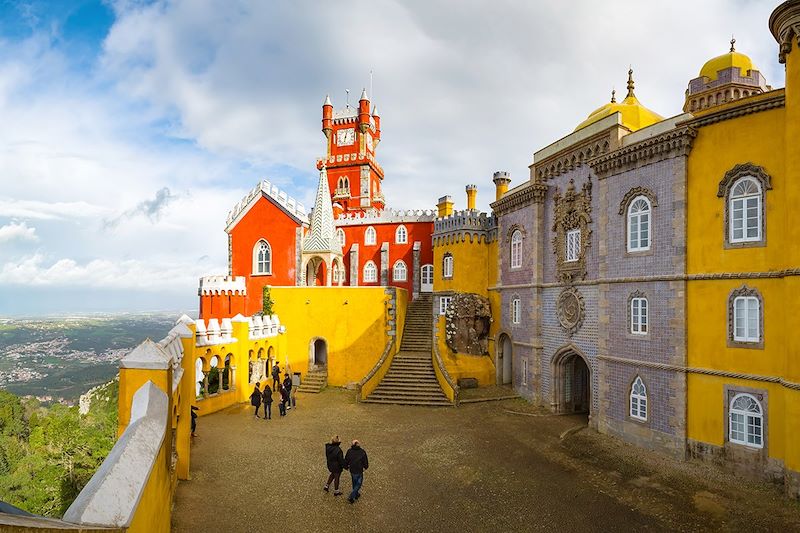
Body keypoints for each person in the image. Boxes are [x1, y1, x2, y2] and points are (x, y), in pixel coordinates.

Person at [344, 439, 369, 504]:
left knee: (354, 482)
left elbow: (346, 460)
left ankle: (356, 493)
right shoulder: (362, 451)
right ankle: (352, 496)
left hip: (352, 470)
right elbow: (365, 461)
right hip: (359, 470)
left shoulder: (349, 451)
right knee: (359, 484)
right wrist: (365, 467)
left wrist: (346, 467)